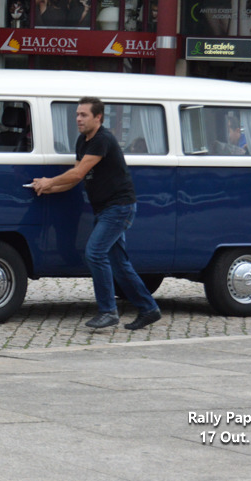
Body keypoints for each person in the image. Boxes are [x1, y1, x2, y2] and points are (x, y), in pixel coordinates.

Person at [31, 97, 161, 330]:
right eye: (77, 114)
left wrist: (49, 181)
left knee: (95, 253)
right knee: (120, 264)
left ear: (98, 117)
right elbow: (73, 181)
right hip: (105, 209)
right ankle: (149, 308)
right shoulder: (83, 141)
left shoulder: (103, 140)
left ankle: (108, 311)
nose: (78, 119)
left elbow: (77, 173)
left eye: (84, 115)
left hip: (119, 208)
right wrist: (47, 188)